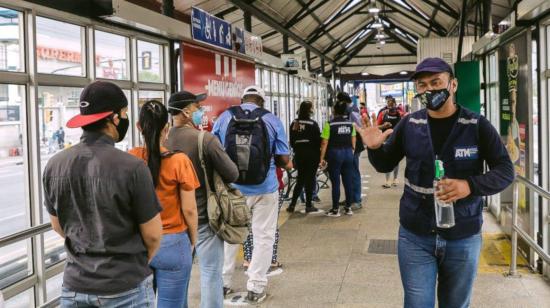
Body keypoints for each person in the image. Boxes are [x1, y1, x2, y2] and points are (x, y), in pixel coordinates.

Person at [356, 57, 514, 308]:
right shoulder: (410, 124)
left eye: (435, 82)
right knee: (417, 303)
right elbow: (385, 165)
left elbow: (506, 170)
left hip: (463, 234)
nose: (429, 90)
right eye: (422, 85)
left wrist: (469, 186)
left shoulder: (476, 125)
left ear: (453, 84)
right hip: (415, 235)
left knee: (455, 304)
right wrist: (374, 148)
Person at [43, 81, 163, 307]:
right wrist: (130, 265)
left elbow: (58, 226)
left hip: (74, 286)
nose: (125, 119)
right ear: (114, 117)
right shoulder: (133, 167)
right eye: (125, 113)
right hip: (124, 288)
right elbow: (154, 235)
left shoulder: (54, 165)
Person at [214, 85, 291, 304]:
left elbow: (214, 151)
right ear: (262, 101)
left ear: (242, 100)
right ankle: (256, 287)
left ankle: (223, 283)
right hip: (265, 188)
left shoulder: (224, 117)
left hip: (233, 188)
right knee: (264, 237)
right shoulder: (272, 120)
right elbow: (284, 160)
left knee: (230, 235)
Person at [165, 91, 239, 308]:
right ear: (186, 112)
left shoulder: (162, 139)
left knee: (179, 278)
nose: (200, 111)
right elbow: (232, 173)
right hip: (204, 217)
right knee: (210, 273)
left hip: (172, 222)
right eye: (197, 108)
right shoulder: (204, 139)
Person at [129, 100, 200, 308]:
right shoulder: (179, 161)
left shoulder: (131, 158)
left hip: (139, 245)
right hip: (174, 243)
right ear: (166, 128)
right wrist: (192, 241)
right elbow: (189, 209)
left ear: (139, 127)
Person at [243, 166, 286, 276]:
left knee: (246, 225)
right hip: (268, 188)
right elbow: (287, 163)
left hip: (241, 187)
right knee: (268, 228)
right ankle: (269, 262)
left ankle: (248, 259)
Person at [319, 98, 356, 217]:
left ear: (334, 111)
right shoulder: (350, 124)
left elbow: (324, 143)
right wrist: (352, 150)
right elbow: (353, 139)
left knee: (335, 182)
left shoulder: (329, 124)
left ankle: (335, 210)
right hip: (348, 153)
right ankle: (348, 208)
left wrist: (321, 158)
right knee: (348, 181)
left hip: (335, 154)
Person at [286, 101, 322, 214]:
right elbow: (318, 141)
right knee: (310, 179)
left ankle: (292, 205)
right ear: (309, 110)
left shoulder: (294, 123)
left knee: (300, 179)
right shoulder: (313, 124)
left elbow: (291, 141)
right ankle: (308, 205)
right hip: (312, 155)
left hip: (299, 155)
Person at [343, 92, 365, 210]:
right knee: (349, 172)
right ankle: (350, 197)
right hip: (349, 144)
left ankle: (357, 199)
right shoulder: (350, 109)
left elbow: (357, 126)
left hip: (354, 144)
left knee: (354, 172)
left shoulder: (352, 110)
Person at [377, 96, 402, 188]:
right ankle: (387, 180)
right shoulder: (382, 113)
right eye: (388, 104)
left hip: (396, 139)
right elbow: (377, 125)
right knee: (387, 158)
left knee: (396, 160)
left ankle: (395, 179)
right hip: (386, 139)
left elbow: (402, 124)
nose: (390, 106)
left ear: (395, 104)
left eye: (392, 104)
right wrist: (384, 125)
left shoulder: (399, 113)